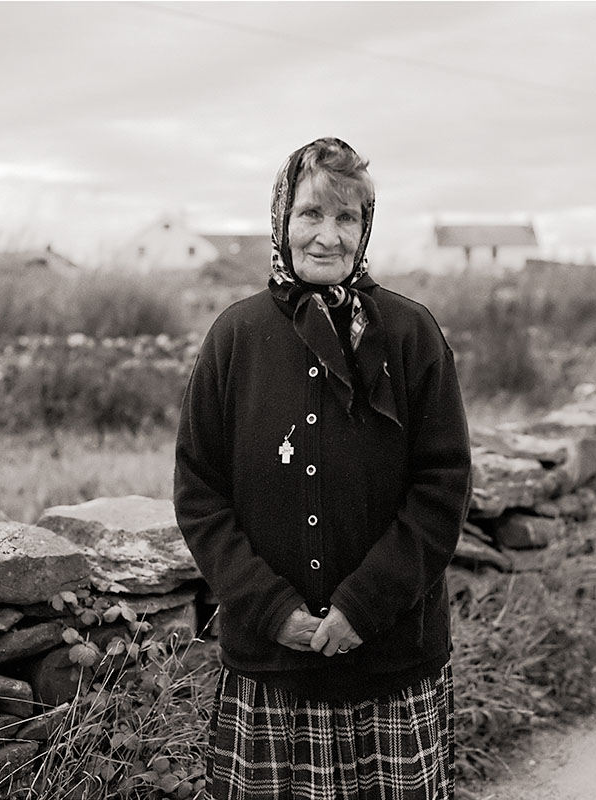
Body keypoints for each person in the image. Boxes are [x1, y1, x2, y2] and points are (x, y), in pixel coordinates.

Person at [174, 137, 472, 799]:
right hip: (271, 669)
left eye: (348, 218)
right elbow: (200, 493)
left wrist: (361, 608)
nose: (328, 237)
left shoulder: (412, 333)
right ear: (282, 219)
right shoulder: (235, 338)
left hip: (389, 663)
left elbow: (442, 488)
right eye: (311, 214)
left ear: (367, 227)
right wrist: (272, 611)